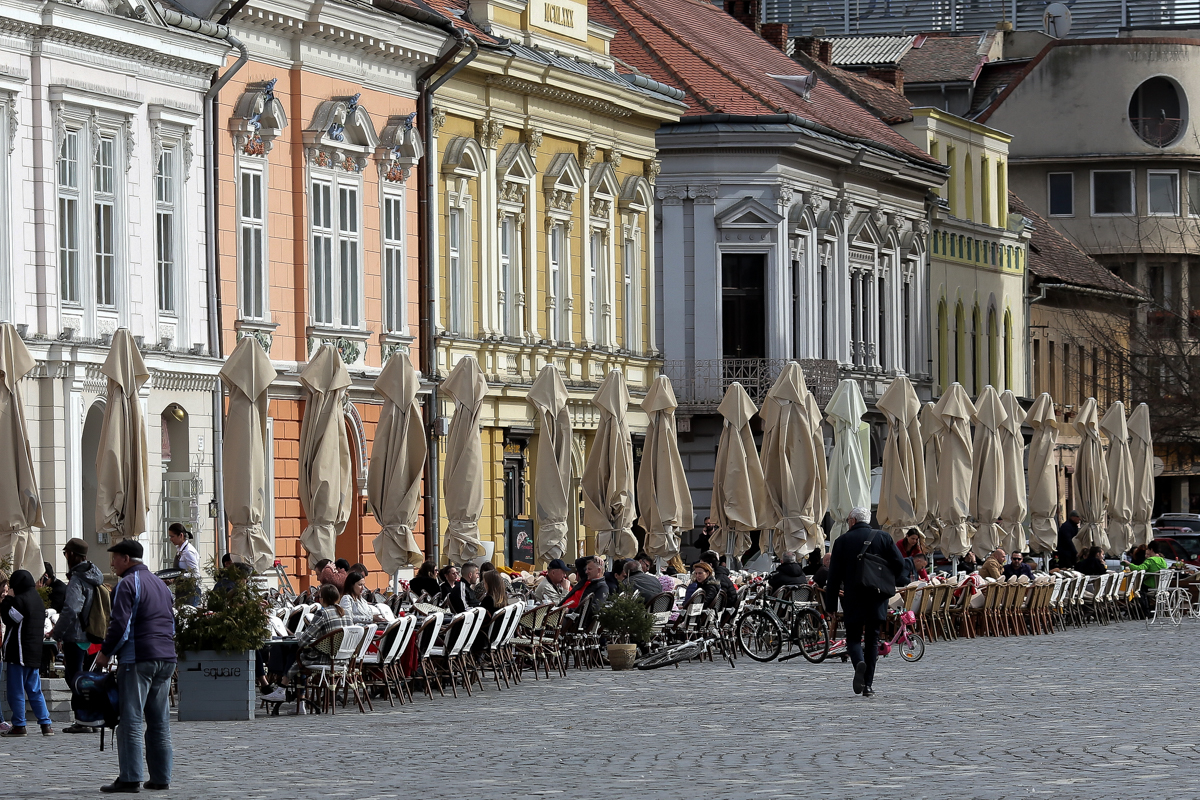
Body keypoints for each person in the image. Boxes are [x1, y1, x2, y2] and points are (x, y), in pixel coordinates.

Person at [96, 539, 177, 792]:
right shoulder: (161, 585)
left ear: (126, 559)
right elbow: (171, 623)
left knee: (130, 720)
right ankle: (161, 777)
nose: (112, 564)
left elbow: (120, 625)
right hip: (166, 657)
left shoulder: (128, 584)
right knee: (159, 721)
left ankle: (130, 778)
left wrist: (105, 653)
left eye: (115, 558)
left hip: (138, 657)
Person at [825, 507, 904, 699]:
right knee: (872, 640)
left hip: (853, 596)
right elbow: (900, 563)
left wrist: (830, 605)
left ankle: (858, 662)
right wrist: (885, 577)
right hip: (877, 597)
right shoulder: (883, 537)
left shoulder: (842, 541)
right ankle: (868, 685)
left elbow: (833, 576)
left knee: (853, 638)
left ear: (852, 521)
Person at [264, 584, 355, 705]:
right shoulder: (347, 613)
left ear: (322, 599)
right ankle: (294, 698)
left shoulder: (323, 613)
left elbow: (304, 640)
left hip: (325, 659)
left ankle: (283, 689)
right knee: (297, 655)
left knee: (296, 654)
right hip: (344, 660)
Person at [51, 538, 105, 734]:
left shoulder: (77, 578)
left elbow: (71, 609)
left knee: (74, 678)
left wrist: (57, 633)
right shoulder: (94, 575)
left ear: (72, 554)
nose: (65, 556)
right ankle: (93, 718)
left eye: (65, 553)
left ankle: (83, 720)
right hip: (92, 635)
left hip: (76, 637)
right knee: (88, 679)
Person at [1, 569, 53, 738]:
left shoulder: (21, 600)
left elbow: (10, 618)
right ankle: (46, 724)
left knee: (16, 690)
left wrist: (7, 599)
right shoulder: (37, 600)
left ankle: (19, 725)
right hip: (34, 653)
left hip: (19, 652)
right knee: (34, 690)